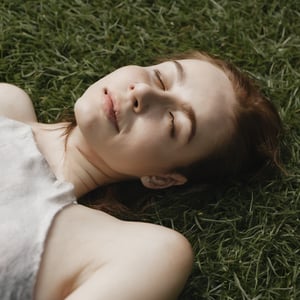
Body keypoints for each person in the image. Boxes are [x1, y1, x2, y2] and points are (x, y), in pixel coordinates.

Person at [0, 51, 282, 300]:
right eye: (160, 78)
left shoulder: (134, 250)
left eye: (173, 120)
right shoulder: (9, 102)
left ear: (162, 178)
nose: (143, 93)